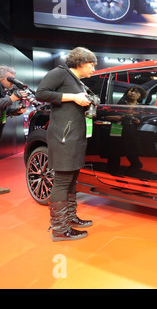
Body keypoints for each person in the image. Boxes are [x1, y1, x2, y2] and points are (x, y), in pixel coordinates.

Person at [35, 47, 97, 241]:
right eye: (91, 65)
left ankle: (69, 218)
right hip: (64, 136)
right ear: (80, 62)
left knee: (71, 179)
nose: (94, 69)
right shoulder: (59, 73)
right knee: (62, 180)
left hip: (74, 136)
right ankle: (60, 229)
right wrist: (72, 97)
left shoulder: (77, 81)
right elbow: (41, 93)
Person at [0, 65, 27, 194]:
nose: (12, 81)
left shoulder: (3, 90)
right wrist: (11, 99)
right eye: (10, 78)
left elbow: (3, 109)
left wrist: (17, 110)